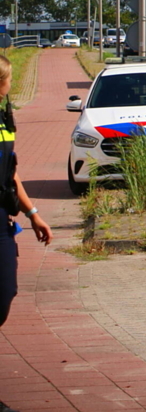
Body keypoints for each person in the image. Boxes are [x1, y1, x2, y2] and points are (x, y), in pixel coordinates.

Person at [0, 55, 52, 412]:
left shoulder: (5, 121)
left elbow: (11, 172)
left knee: (5, 293)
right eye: (9, 79)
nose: (11, 85)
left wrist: (33, 213)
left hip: (2, 219)